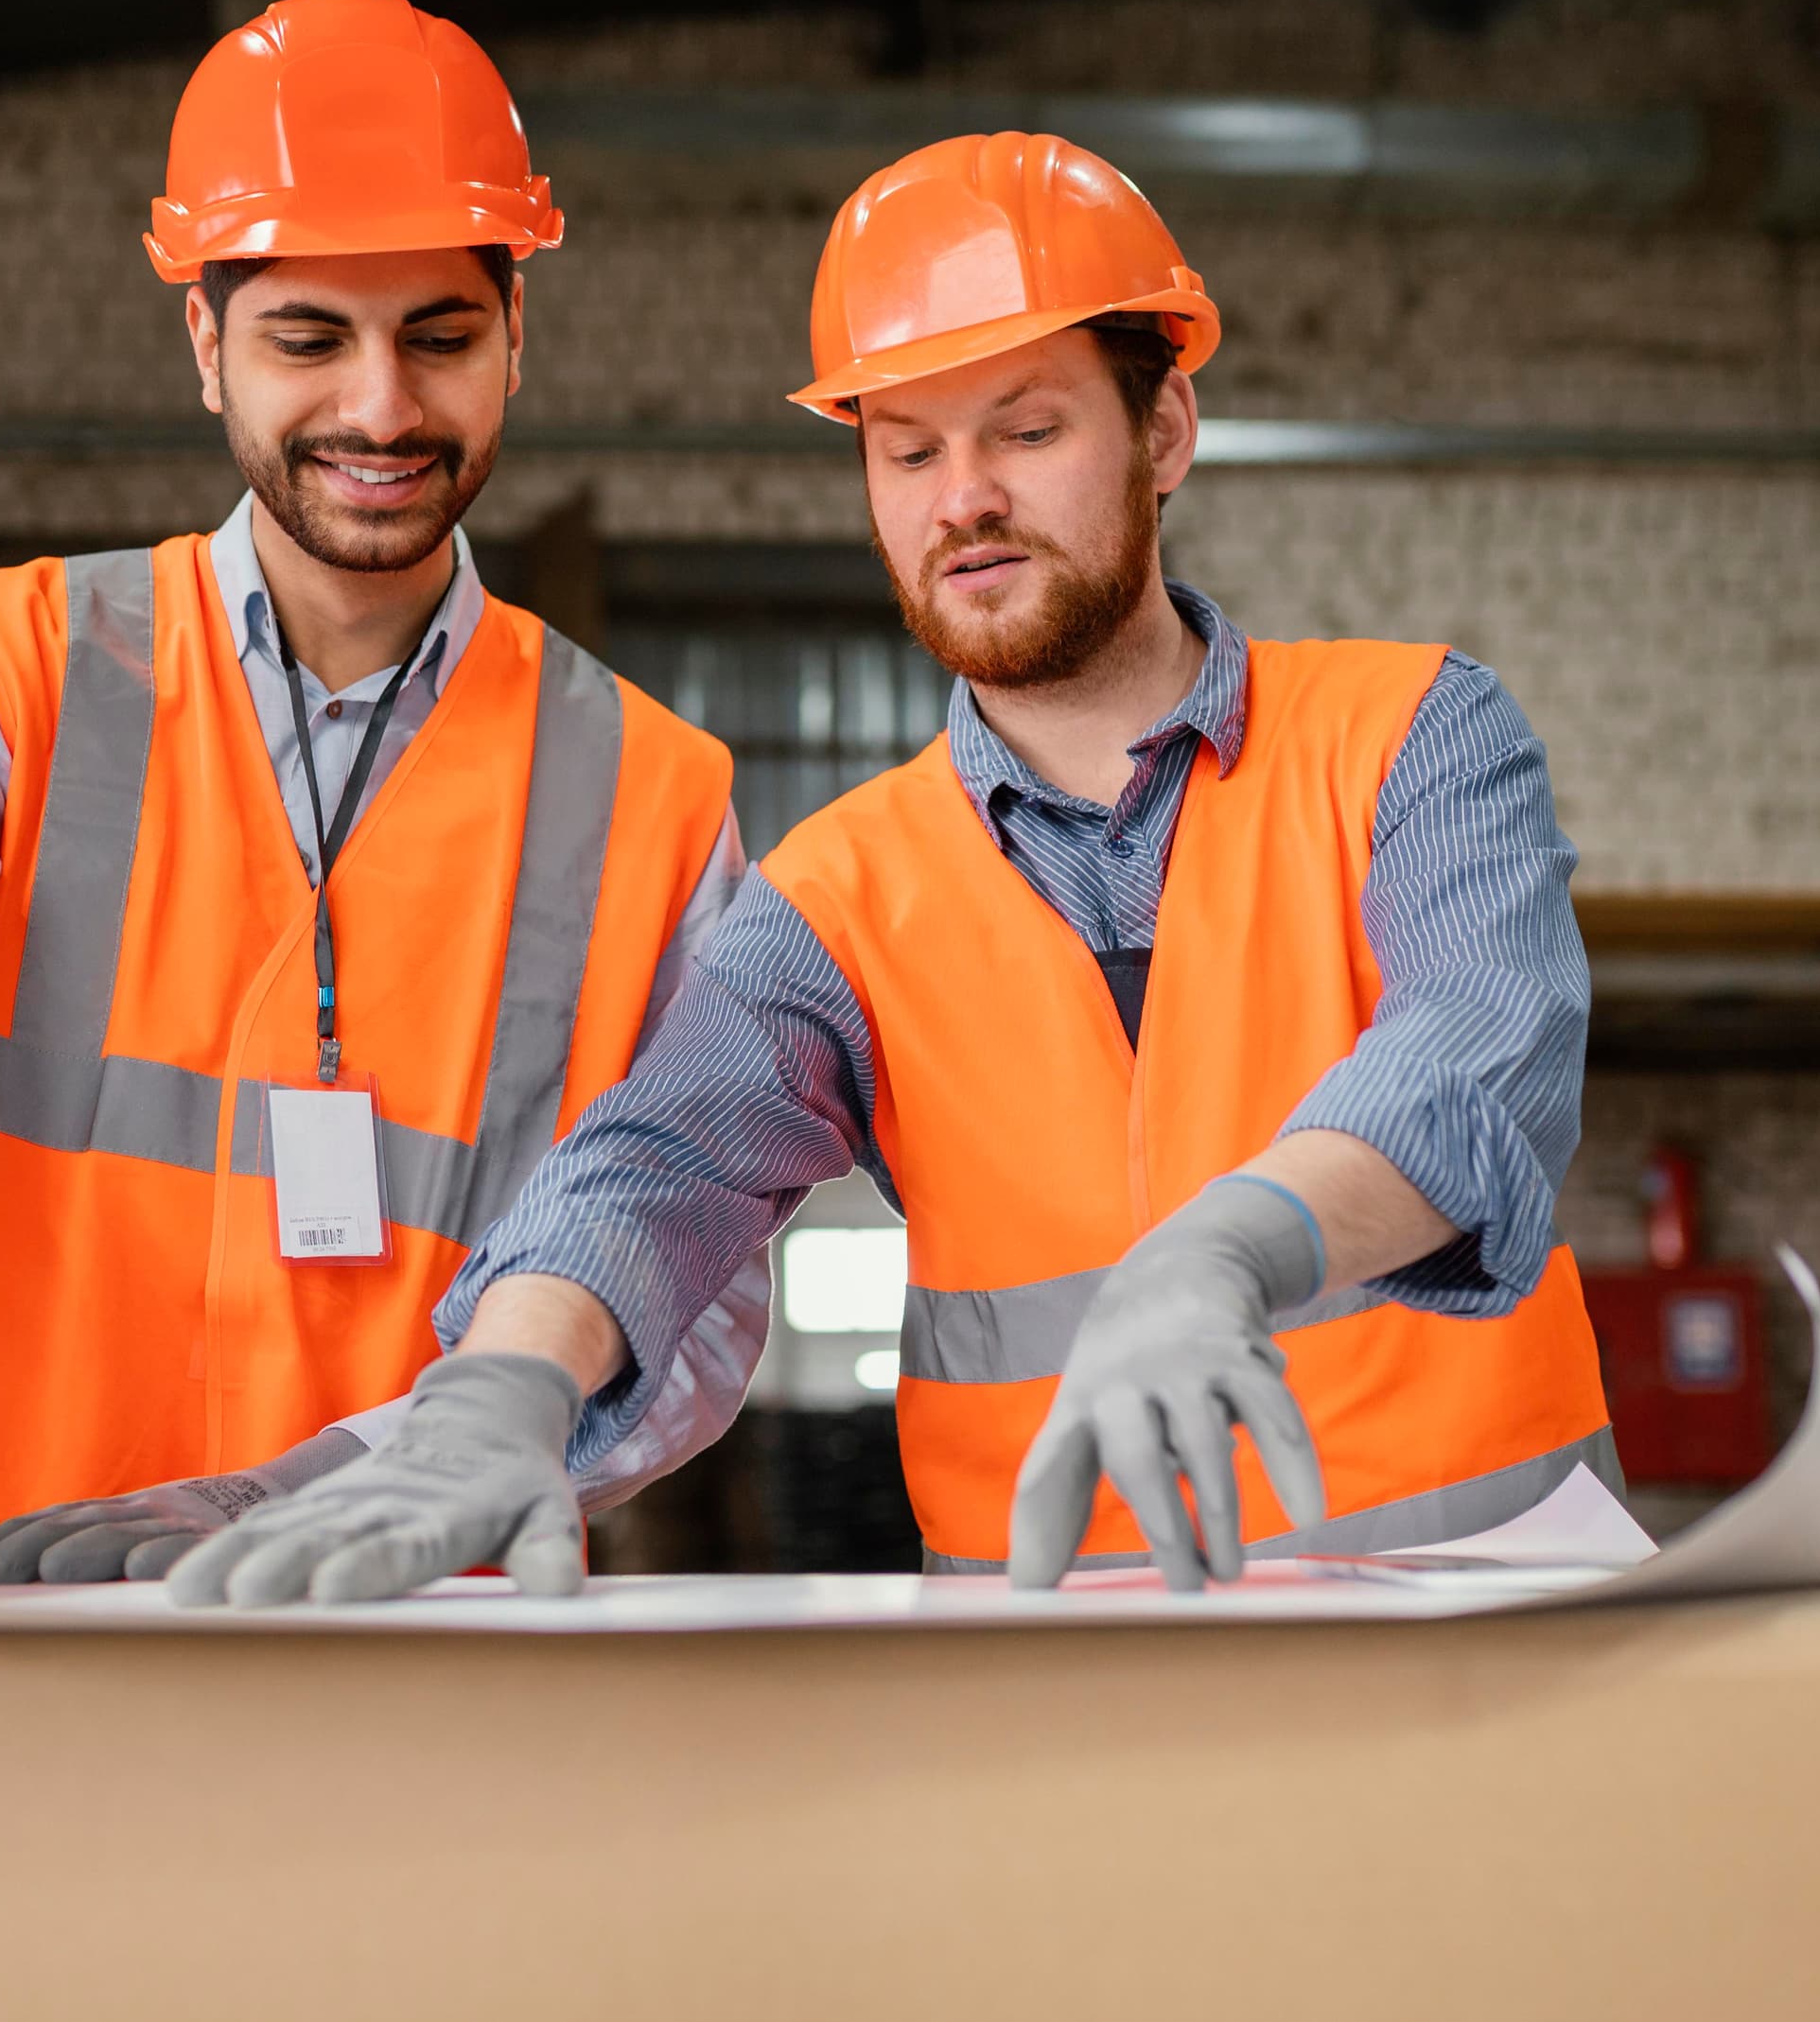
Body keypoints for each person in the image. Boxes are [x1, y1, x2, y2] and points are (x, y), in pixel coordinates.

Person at [171, 131, 1614, 1605]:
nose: (962, 498)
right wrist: (503, 1387)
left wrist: (1238, 1247)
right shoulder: (839, 899)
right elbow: (660, 1161)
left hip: (1486, 1628)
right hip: (1055, 1677)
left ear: (1166, 431)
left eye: (1026, 431)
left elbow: (1478, 1045)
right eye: (910, 451)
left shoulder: (1408, 737)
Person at [0, 0, 762, 1589]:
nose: (380, 408)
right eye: (307, 338)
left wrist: (356, 1475)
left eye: (439, 337)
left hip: (413, 1631)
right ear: (207, 347)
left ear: (515, 338)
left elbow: (692, 1276)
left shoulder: (656, 795)